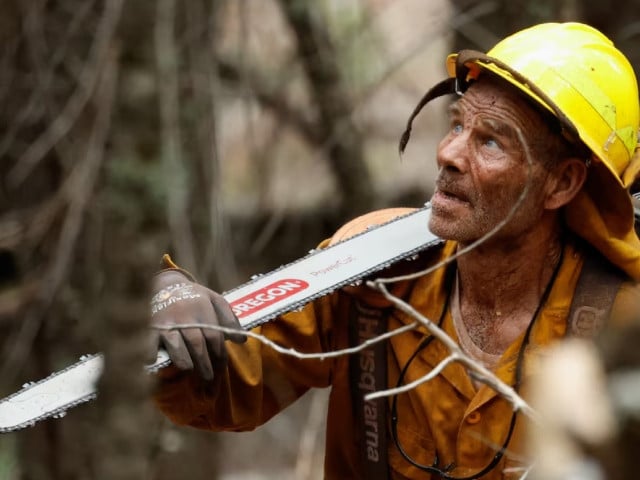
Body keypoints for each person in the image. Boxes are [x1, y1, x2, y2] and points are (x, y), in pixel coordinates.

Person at [149, 22, 640, 479]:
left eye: (491, 142)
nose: (448, 154)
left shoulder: (621, 324)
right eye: (457, 126)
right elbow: (228, 386)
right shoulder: (372, 266)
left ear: (562, 182)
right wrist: (168, 303)